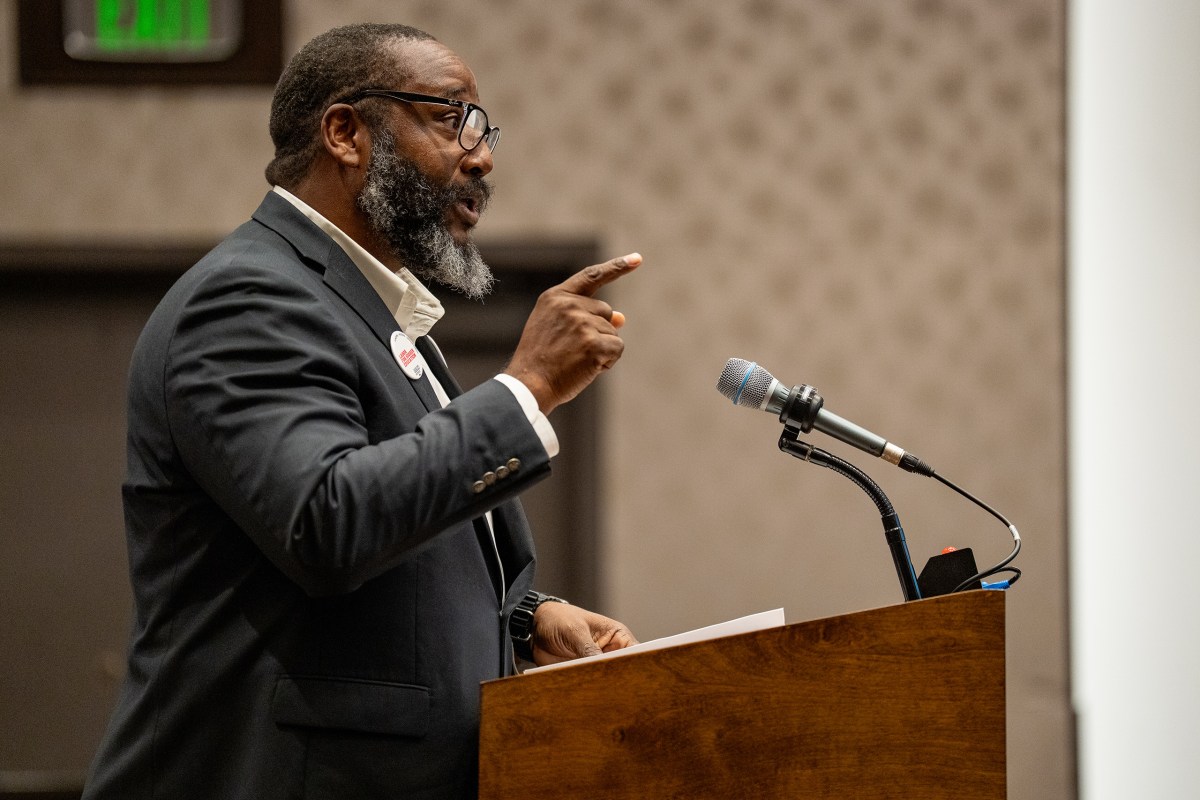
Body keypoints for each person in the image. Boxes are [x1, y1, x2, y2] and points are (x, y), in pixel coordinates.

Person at [82, 22, 639, 800]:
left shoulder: (374, 316)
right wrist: (528, 387)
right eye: (451, 118)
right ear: (345, 132)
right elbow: (326, 519)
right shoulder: (249, 297)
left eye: (483, 128)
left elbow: (393, 544)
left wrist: (519, 618)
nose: (480, 155)